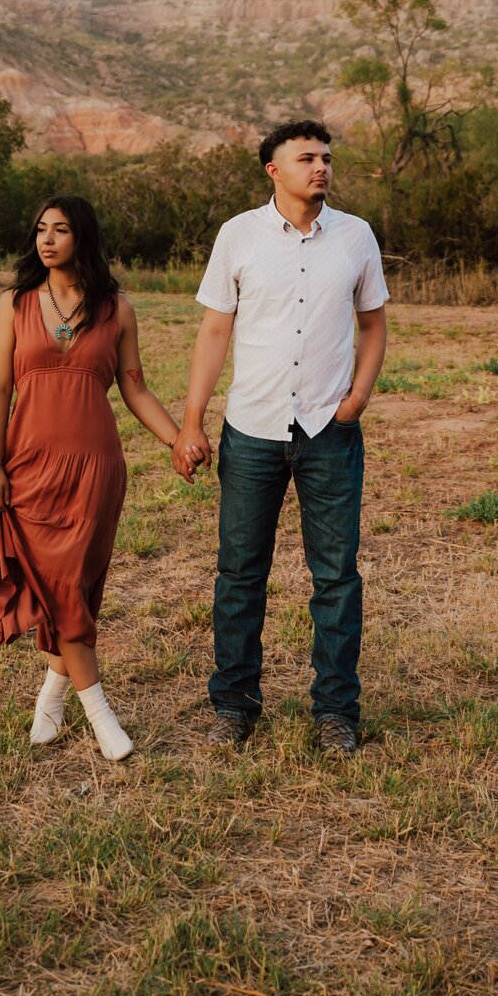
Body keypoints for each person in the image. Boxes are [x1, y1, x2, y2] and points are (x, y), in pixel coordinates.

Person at [172, 121, 388, 755]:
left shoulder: (356, 235)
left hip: (329, 431)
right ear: (274, 170)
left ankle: (336, 713)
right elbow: (215, 332)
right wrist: (192, 420)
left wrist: (356, 399)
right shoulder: (238, 235)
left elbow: (373, 325)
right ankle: (234, 706)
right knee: (240, 573)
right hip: (252, 429)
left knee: (336, 577)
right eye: (306, 158)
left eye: (326, 158)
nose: (321, 167)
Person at [0, 195, 196, 760]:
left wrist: (177, 440)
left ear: (83, 237)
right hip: (27, 467)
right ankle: (97, 711)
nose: (47, 239)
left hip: (95, 469)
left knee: (73, 586)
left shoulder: (117, 309)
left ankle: (53, 695)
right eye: (40, 229)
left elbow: (135, 388)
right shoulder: (14, 303)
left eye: (61, 230)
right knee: (58, 588)